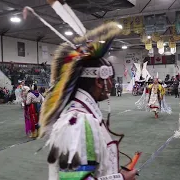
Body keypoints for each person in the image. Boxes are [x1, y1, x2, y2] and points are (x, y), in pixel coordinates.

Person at [30, 19, 137, 179]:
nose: (112, 84)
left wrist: (116, 173)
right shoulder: (79, 121)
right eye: (111, 79)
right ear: (99, 81)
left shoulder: (82, 116)